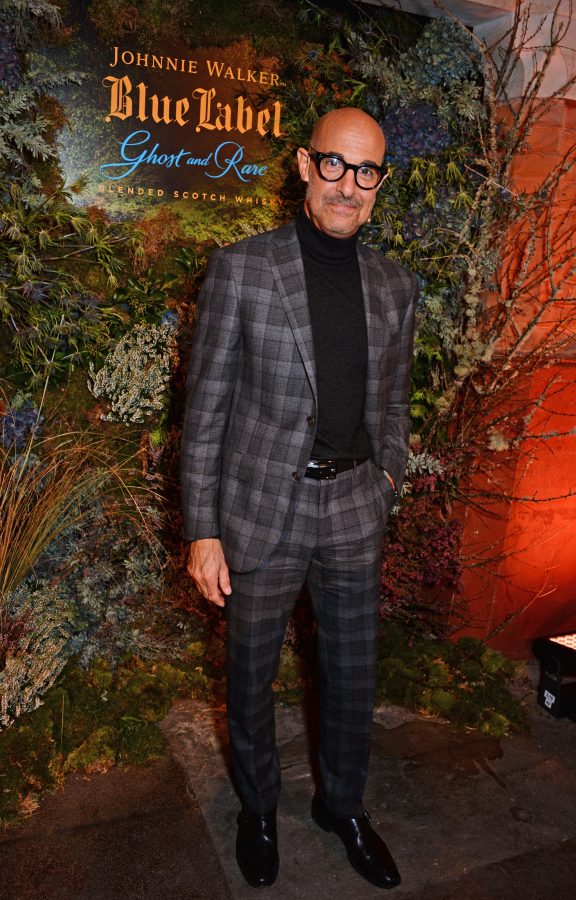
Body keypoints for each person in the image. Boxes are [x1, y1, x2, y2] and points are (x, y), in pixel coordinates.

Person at [181, 107, 417, 891]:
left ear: (379, 183)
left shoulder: (395, 284)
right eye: (335, 165)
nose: (349, 185)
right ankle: (257, 809)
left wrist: (387, 478)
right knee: (251, 672)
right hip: (261, 509)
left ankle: (341, 807)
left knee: (352, 675)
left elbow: (394, 401)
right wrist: (203, 530)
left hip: (354, 506)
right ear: (305, 166)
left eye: (367, 171)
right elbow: (206, 406)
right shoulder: (243, 269)